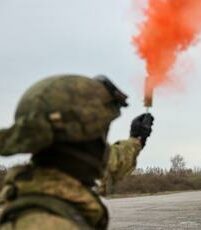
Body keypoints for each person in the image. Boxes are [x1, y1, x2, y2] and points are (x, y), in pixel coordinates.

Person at [0, 74, 154, 229]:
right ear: (85, 140)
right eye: (99, 133)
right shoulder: (52, 224)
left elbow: (112, 162)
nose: (102, 145)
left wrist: (136, 140)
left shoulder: (30, 191)